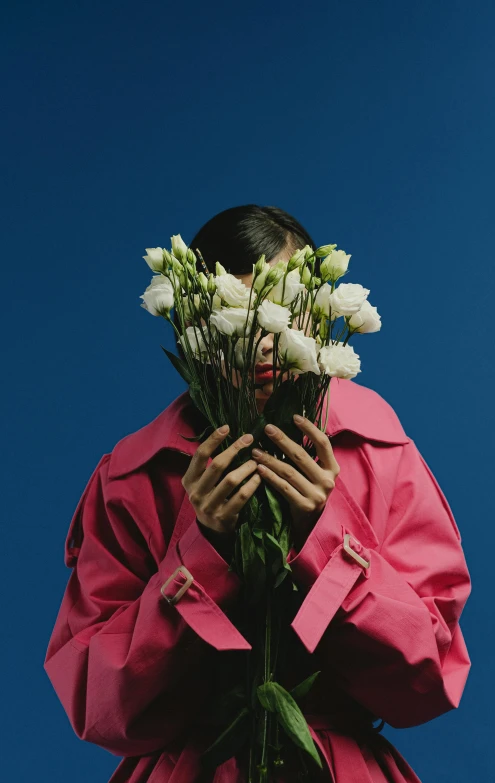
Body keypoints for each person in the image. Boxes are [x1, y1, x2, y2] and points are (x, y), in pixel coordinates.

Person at [43, 205, 472, 782]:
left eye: (284, 312)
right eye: (235, 313)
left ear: (319, 314)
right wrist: (202, 553)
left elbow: (429, 682)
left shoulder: (381, 454)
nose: (262, 343)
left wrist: (324, 541)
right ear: (194, 314)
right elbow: (99, 707)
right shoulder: (132, 476)